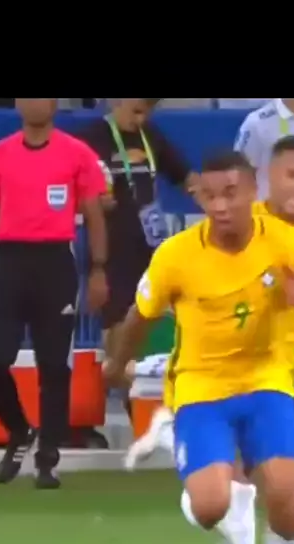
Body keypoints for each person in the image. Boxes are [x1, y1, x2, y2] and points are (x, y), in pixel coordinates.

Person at [104, 149, 294, 544]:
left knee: (286, 496)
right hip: (200, 387)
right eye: (208, 196)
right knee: (212, 506)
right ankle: (188, 465)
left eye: (230, 194)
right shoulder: (176, 256)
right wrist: (115, 366)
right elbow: (139, 316)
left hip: (265, 383)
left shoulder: (287, 245)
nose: (219, 206)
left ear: (252, 191)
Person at [0, 98, 108, 489]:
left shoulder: (77, 154)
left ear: (55, 103)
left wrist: (98, 269)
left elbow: (94, 214)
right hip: (8, 261)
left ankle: (47, 459)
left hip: (54, 263)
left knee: (54, 365)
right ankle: (19, 430)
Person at [78, 98, 194, 375]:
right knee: (117, 321)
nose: (141, 119)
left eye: (148, 112)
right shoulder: (90, 138)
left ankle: (144, 385)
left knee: (152, 317)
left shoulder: (151, 136)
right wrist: (89, 201)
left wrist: (209, 195)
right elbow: (67, 188)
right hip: (111, 246)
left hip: (149, 244)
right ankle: (118, 381)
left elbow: (186, 177)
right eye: (137, 112)